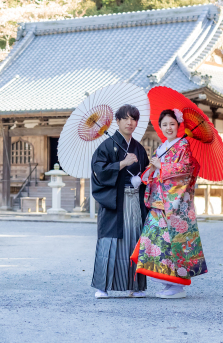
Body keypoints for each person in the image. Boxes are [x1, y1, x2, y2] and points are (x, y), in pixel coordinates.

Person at [135, 108, 207, 299]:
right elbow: (156, 173)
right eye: (164, 124)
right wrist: (151, 170)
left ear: (178, 125)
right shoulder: (163, 146)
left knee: (173, 242)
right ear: (160, 127)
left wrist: (162, 166)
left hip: (175, 204)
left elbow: (186, 170)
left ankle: (177, 286)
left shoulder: (183, 145)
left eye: (172, 124)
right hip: (159, 201)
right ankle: (168, 282)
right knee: (157, 240)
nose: (168, 128)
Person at [90, 104, 149, 299]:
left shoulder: (139, 149)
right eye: (126, 118)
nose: (130, 122)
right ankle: (102, 287)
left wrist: (141, 179)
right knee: (110, 241)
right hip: (115, 200)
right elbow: (98, 171)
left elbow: (147, 173)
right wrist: (122, 163)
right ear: (117, 121)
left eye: (134, 119)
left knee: (134, 240)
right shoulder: (106, 146)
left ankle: (135, 286)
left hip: (134, 200)